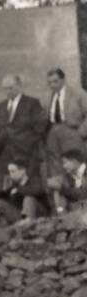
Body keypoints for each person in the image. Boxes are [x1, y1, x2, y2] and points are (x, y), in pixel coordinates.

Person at [42, 68, 87, 214]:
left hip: (72, 132)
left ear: (63, 80)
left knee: (72, 168)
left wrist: (82, 132)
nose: (52, 85)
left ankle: (79, 206)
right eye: (49, 82)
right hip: (54, 133)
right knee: (56, 171)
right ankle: (60, 208)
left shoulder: (77, 93)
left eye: (55, 81)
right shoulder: (48, 97)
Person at [0, 74, 46, 181]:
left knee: (29, 183)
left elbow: (39, 128)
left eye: (10, 88)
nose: (8, 91)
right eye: (5, 89)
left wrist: (28, 144)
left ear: (19, 86)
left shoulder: (32, 103)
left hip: (26, 153)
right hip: (6, 155)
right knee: (8, 187)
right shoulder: (0, 106)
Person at [0, 161, 49, 233]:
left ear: (23, 171)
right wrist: (2, 190)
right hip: (20, 217)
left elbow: (38, 190)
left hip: (39, 214)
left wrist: (19, 190)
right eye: (9, 172)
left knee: (29, 198)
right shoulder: (14, 185)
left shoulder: (34, 180)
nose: (11, 174)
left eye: (13, 171)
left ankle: (28, 223)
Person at [49, 147, 87, 213]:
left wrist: (61, 189)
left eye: (65, 162)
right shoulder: (71, 175)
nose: (64, 166)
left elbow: (83, 194)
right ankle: (61, 213)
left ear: (74, 162)